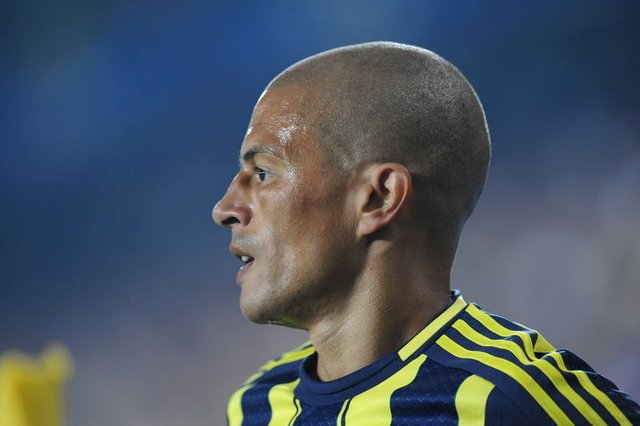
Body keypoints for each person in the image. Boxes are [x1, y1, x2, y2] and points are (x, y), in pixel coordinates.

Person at [212, 41, 640, 425]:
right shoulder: (255, 406)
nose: (224, 209)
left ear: (378, 198)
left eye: (262, 173)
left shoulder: (511, 400)